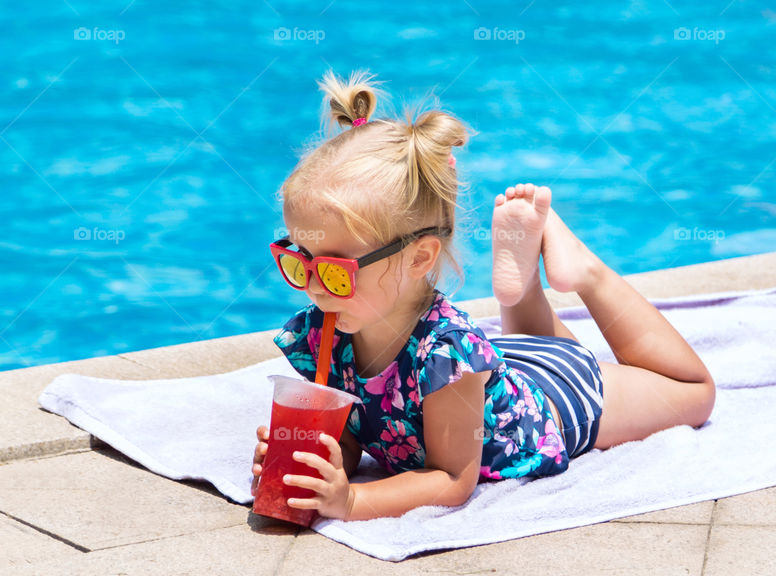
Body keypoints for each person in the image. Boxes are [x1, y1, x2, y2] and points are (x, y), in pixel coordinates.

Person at [251, 70, 715, 522]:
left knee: (693, 395)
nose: (313, 286)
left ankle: (586, 271)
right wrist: (319, 468)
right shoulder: (327, 330)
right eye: (299, 259)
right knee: (525, 352)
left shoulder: (446, 355)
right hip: (504, 365)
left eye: (335, 272)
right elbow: (355, 431)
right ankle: (524, 280)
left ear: (419, 259)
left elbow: (452, 478)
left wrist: (350, 502)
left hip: (556, 397)